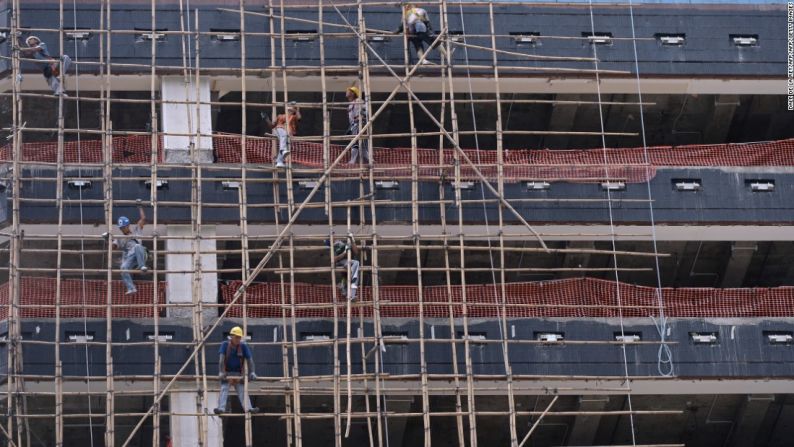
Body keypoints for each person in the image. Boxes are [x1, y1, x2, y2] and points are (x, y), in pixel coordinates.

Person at [103, 199, 148, 295]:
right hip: (130, 258)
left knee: (137, 246)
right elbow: (112, 247)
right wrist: (107, 239)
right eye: (122, 228)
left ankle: (142, 266)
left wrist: (140, 206)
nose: (124, 229)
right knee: (123, 267)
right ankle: (131, 288)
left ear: (128, 225)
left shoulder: (136, 230)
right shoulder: (119, 238)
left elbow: (143, 219)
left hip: (140, 255)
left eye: (125, 227)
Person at [214, 326, 260, 414]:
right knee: (224, 389)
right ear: (231, 336)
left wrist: (253, 372)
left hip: (238, 374)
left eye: (239, 337)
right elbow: (221, 360)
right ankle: (221, 409)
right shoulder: (225, 345)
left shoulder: (243, 346)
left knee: (242, 391)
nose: (238, 339)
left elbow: (250, 360)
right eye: (236, 337)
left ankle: (249, 409)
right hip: (226, 374)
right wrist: (221, 372)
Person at [326, 234, 360, 301]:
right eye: (333, 235)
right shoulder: (333, 247)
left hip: (349, 262)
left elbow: (356, 252)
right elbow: (333, 259)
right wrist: (344, 254)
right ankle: (347, 291)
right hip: (342, 263)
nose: (335, 236)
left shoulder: (344, 243)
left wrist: (352, 240)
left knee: (355, 268)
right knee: (352, 273)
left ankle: (351, 295)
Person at [267, 102, 301, 168]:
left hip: (288, 134)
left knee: (285, 147)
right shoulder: (280, 116)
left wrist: (297, 109)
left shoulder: (293, 117)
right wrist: (267, 119)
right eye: (289, 109)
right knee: (284, 142)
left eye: (291, 110)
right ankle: (283, 150)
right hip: (279, 130)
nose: (290, 111)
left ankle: (279, 161)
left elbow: (299, 118)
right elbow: (272, 126)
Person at [346, 86, 371, 165]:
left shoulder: (359, 101)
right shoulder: (351, 104)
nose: (346, 92)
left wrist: (361, 117)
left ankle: (352, 161)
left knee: (355, 142)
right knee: (361, 145)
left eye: (348, 91)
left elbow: (365, 111)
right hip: (354, 124)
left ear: (353, 93)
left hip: (359, 124)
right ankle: (371, 160)